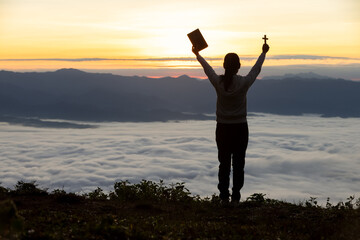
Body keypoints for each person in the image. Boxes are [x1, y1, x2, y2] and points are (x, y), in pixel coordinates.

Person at [192, 41, 269, 203]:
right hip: (240, 128)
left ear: (224, 65)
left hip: (222, 129)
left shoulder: (219, 83)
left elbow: (208, 70)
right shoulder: (243, 83)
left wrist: (198, 55)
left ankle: (224, 198)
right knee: (239, 164)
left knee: (224, 164)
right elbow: (256, 70)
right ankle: (235, 198)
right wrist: (263, 53)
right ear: (238, 66)